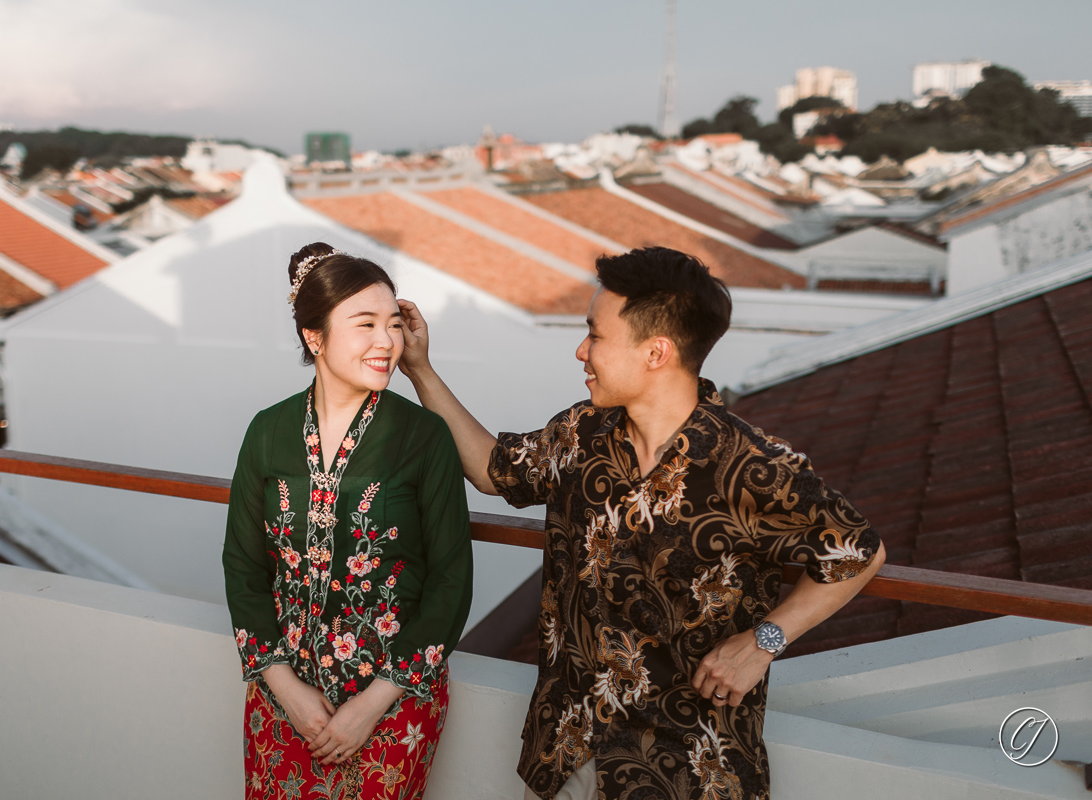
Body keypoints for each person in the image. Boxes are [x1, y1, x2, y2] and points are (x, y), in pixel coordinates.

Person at [397, 246, 886, 800]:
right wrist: (420, 370)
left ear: (656, 352)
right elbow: (492, 469)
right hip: (567, 753)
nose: (581, 351)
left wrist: (764, 641)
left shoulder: (751, 465)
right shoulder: (581, 434)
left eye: (596, 335)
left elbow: (856, 549)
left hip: (687, 773)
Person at [223, 242, 473, 800]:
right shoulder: (267, 431)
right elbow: (242, 566)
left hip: (392, 701)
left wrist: (372, 703)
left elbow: (451, 580)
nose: (386, 342)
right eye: (365, 324)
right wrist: (284, 687)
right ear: (316, 338)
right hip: (284, 697)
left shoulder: (424, 435)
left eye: (393, 324)